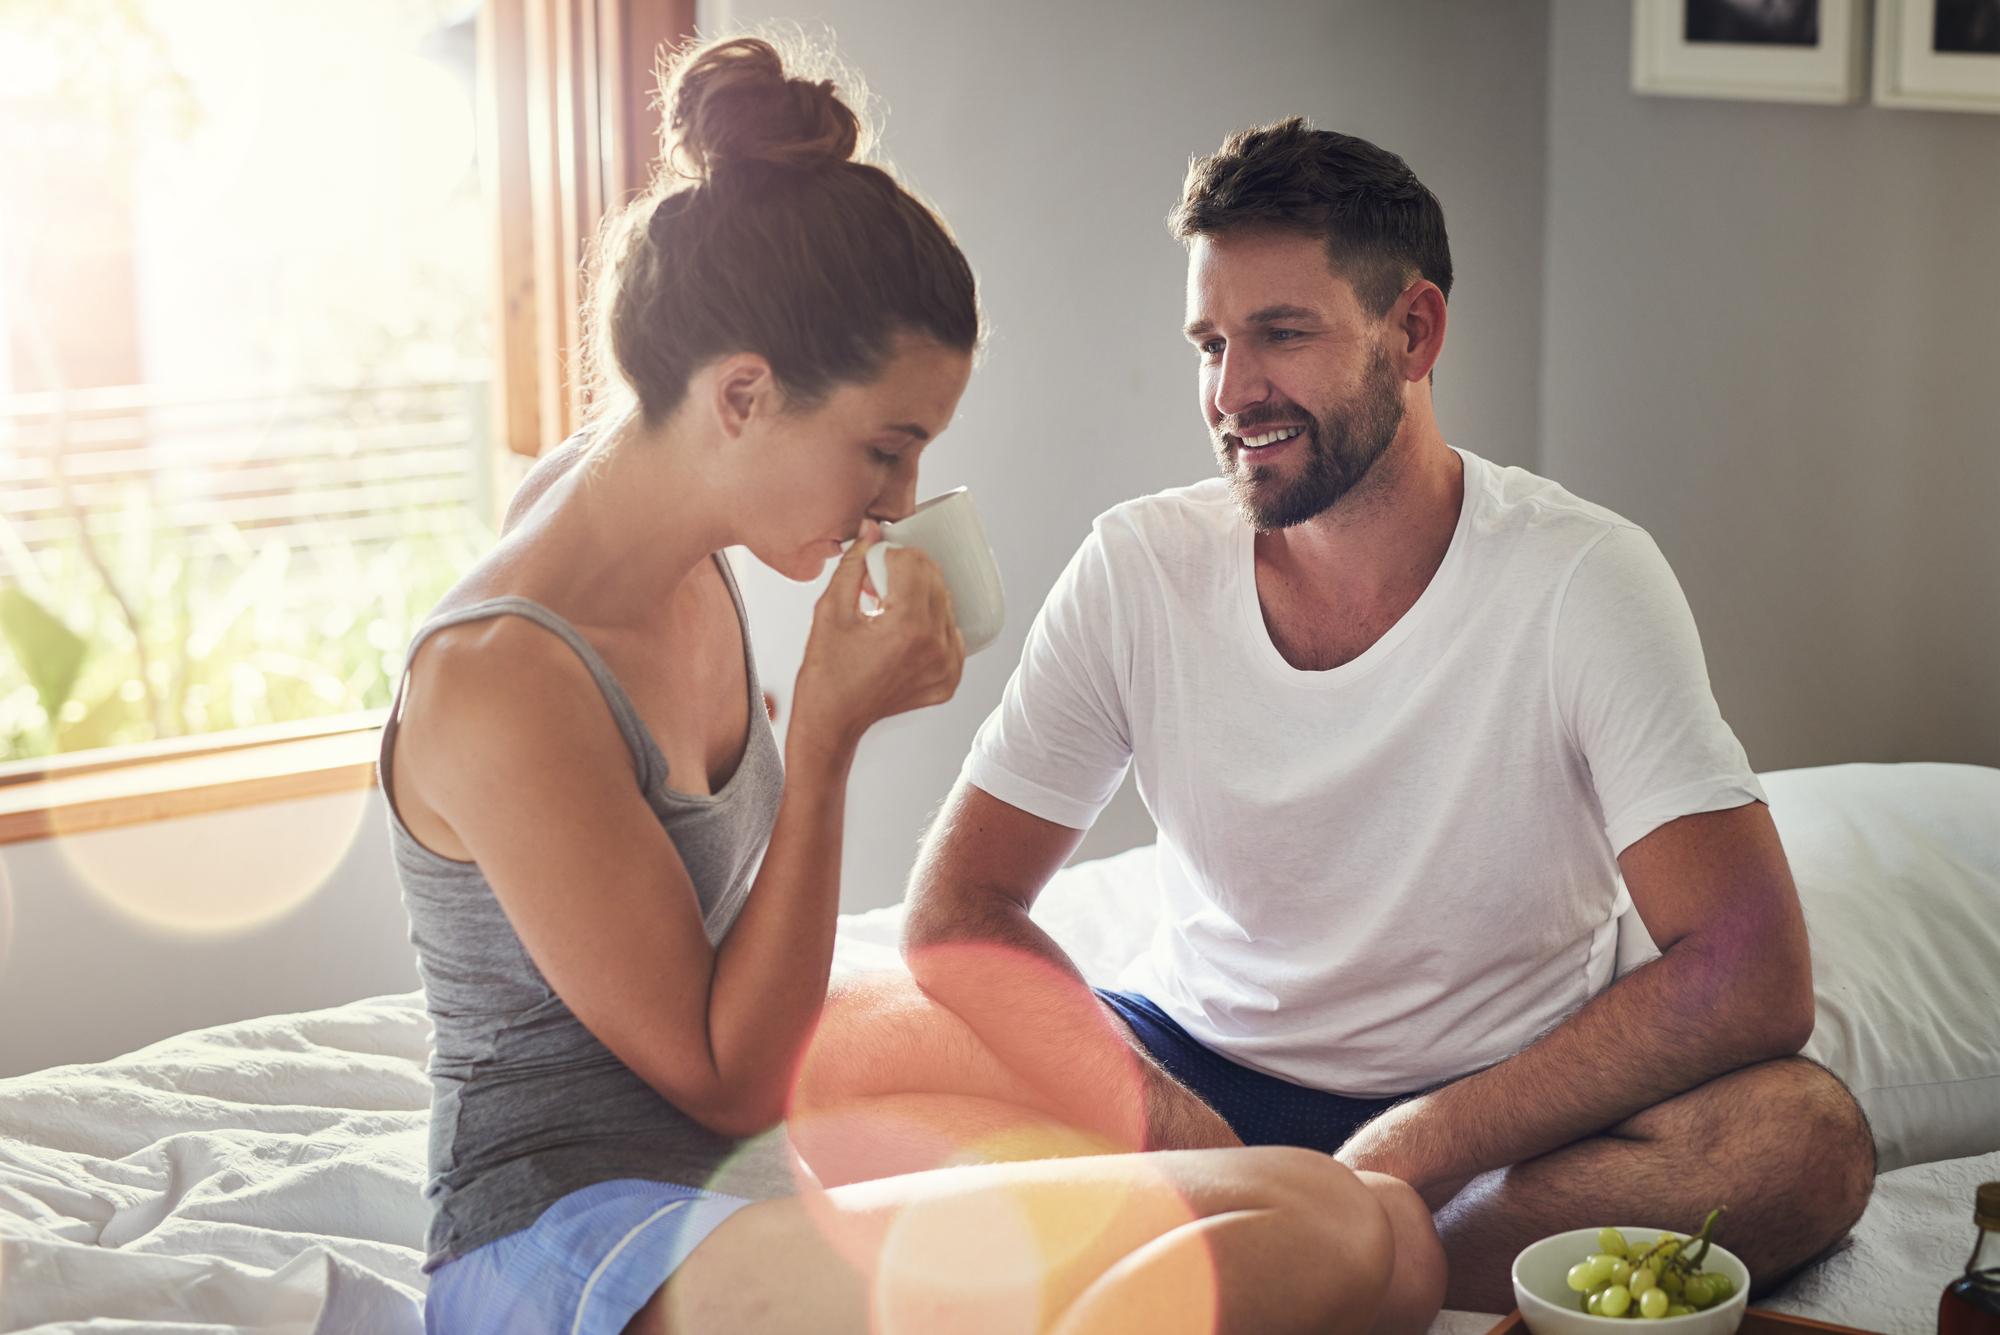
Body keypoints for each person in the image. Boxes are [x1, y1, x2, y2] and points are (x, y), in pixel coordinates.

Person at [383, 39, 1437, 1335]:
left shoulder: (650, 508)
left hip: (742, 1196)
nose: (897, 502)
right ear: (743, 395)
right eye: (883, 449)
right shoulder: (503, 680)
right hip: (578, 1245)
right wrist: (823, 744)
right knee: (1328, 1224)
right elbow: (725, 1076)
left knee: (1392, 1235)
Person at [798, 119, 1877, 1314]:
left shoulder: (1581, 581)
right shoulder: (1139, 566)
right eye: (1209, 342)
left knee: (1800, 1140)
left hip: (1482, 1117)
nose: (1230, 390)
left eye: (1280, 334)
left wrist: (1409, 1150)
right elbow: (961, 909)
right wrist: (1182, 1133)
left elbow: (1747, 968)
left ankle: (1293, 1246)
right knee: (831, 1029)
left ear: (1412, 331)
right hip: (1187, 1074)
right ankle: (1287, 1243)